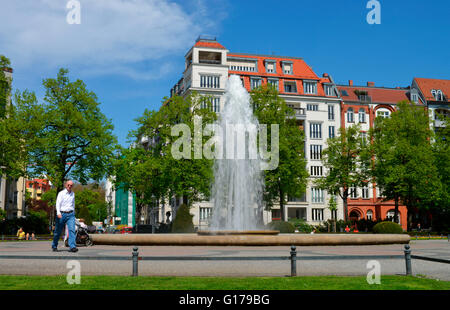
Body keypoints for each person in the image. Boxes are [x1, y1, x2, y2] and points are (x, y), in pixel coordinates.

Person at [51, 180, 78, 253]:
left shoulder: (73, 194)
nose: (69, 186)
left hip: (71, 214)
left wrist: (74, 212)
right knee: (57, 231)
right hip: (62, 214)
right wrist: (58, 213)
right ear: (66, 185)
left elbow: (73, 203)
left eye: (71, 185)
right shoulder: (61, 193)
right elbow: (58, 203)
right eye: (68, 185)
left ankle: (72, 246)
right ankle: (54, 245)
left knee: (72, 230)